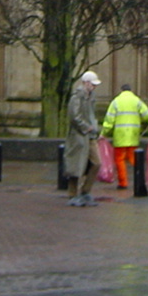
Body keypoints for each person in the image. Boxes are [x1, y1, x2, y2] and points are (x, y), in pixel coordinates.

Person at [101, 84, 148, 190]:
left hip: (120, 135)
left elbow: (109, 120)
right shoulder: (137, 101)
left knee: (119, 160)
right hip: (133, 134)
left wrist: (103, 133)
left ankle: (123, 183)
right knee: (134, 158)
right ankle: (140, 179)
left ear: (121, 90)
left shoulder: (116, 102)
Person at [64, 70, 102, 207]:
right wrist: (87, 127)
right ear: (85, 83)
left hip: (89, 136)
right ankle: (73, 194)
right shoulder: (77, 96)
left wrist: (95, 129)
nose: (94, 87)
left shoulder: (91, 97)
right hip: (79, 136)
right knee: (76, 165)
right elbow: (74, 116)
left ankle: (85, 191)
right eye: (92, 84)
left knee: (96, 163)